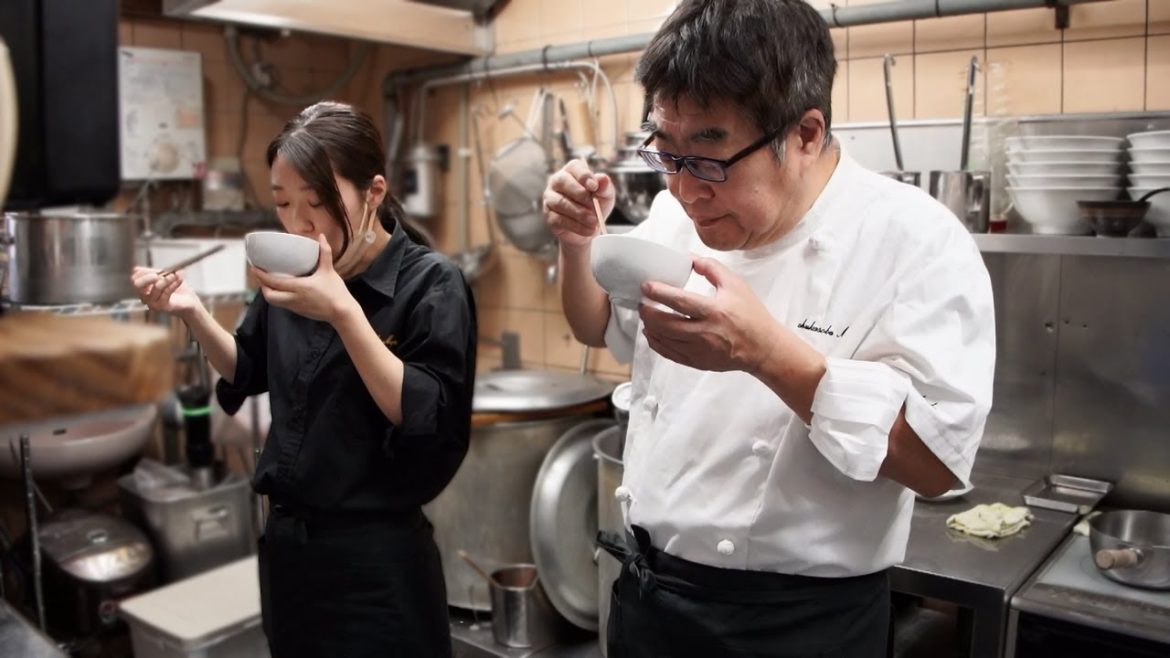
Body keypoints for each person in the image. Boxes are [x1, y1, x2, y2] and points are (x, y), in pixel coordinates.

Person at [542, 1, 995, 656]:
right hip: (651, 600)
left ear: (805, 134)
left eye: (708, 156)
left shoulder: (915, 244)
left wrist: (764, 354)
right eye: (665, 151)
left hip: (797, 628)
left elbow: (936, 467)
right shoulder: (675, 219)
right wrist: (577, 243)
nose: (684, 188)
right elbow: (597, 326)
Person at [131, 101, 476, 658]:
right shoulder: (292, 274)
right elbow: (246, 368)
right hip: (289, 556)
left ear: (374, 193)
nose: (299, 223)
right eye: (284, 203)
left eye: (318, 203)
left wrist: (343, 311)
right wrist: (192, 311)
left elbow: (426, 415)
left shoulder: (431, 284)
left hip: (376, 566)